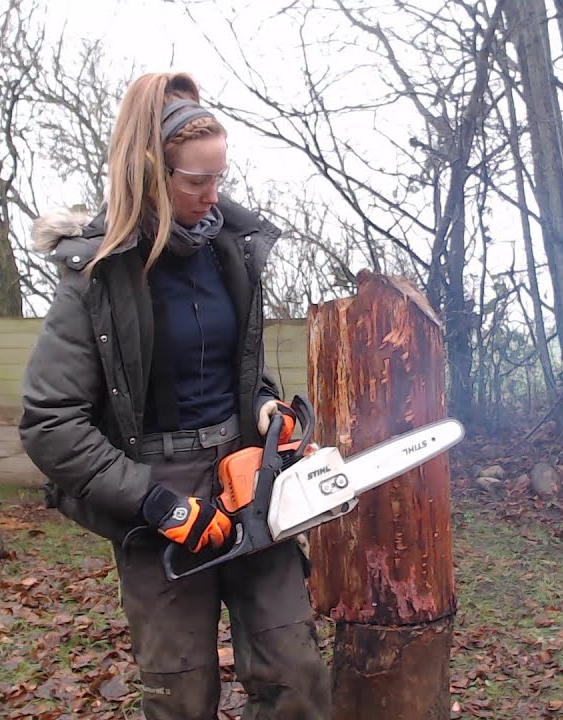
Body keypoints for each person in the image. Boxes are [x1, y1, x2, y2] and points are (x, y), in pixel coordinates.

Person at [18, 71, 331, 720]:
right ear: (151, 177)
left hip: (246, 477)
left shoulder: (231, 255)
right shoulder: (94, 278)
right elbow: (49, 422)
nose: (213, 195)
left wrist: (265, 409)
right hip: (155, 489)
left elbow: (235, 369)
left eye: (220, 177)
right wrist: (157, 504)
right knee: (180, 696)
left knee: (297, 672)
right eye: (196, 181)